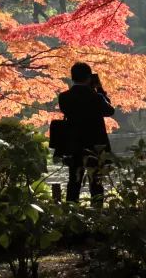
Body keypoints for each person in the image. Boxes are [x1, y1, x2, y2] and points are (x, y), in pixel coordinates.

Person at [57, 62, 114, 205]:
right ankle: (97, 213)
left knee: (73, 182)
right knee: (96, 182)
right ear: (89, 78)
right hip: (96, 146)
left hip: (74, 144)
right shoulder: (96, 97)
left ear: (72, 77)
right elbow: (110, 111)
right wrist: (100, 90)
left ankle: (71, 212)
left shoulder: (64, 97)